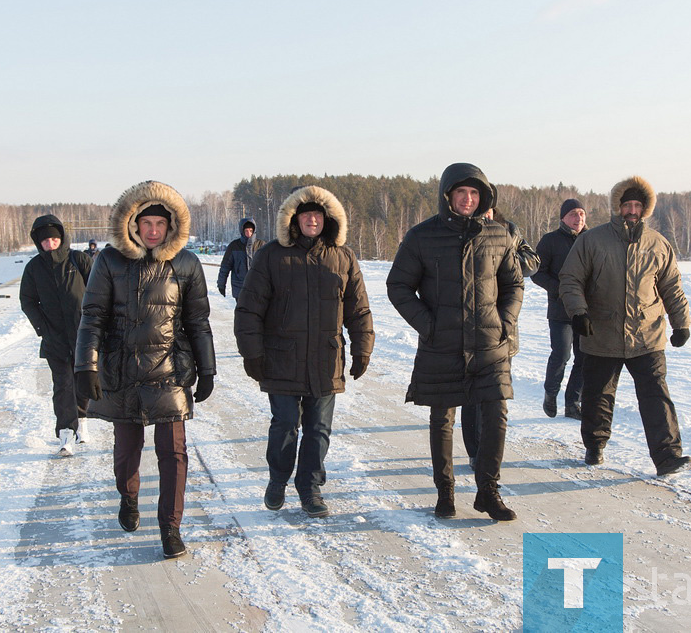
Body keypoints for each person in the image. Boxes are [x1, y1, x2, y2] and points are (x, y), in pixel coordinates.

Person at [74, 180, 216, 559]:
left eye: (160, 224)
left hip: (169, 370)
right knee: (126, 453)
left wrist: (208, 368)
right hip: (122, 371)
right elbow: (92, 317)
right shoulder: (109, 261)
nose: (153, 231)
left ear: (171, 227)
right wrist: (85, 366)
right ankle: (128, 496)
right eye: (146, 223)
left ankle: (171, 528)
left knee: (174, 454)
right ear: (132, 224)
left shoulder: (186, 263)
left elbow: (198, 321)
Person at [387, 163, 523, 521]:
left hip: (490, 343)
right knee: (442, 418)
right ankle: (445, 491)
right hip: (442, 343)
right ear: (448, 196)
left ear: (483, 198)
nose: (468, 199)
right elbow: (398, 286)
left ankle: (488, 491)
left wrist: (505, 322)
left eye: (474, 193)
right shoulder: (422, 236)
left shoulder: (499, 235)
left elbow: (514, 284)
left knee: (496, 414)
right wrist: (427, 325)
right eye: (461, 193)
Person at [234, 186, 374, 518]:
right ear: (294, 219)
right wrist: (252, 353)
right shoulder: (272, 255)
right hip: (281, 357)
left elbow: (358, 309)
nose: (312, 219)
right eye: (306, 214)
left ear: (328, 219)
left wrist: (362, 349)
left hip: (326, 359)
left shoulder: (343, 257)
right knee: (284, 426)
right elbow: (249, 309)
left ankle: (310, 488)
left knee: (318, 429)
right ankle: (278, 479)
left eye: (318, 214)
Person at [558, 176, 691, 477]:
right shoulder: (592, 240)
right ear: (617, 207)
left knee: (656, 395)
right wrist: (579, 313)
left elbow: (672, 287)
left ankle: (667, 456)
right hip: (601, 333)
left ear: (645, 209)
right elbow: (571, 280)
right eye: (626, 205)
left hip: (647, 335)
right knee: (598, 396)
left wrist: (680, 323)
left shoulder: (658, 244)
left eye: (637, 205)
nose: (632, 210)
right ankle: (595, 445)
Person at [461, 206, 539, 471]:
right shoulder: (462, 231)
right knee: (471, 396)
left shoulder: (510, 230)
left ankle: (490, 454)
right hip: (469, 330)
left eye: (488, 208)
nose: (484, 213)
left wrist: (502, 256)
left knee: (496, 397)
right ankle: (475, 450)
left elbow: (532, 262)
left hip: (502, 329)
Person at [19, 215, 93, 456]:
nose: (50, 244)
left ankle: (82, 420)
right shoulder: (33, 268)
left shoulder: (79, 260)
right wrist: (43, 328)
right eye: (45, 241)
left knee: (83, 382)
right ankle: (65, 435)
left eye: (54, 239)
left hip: (84, 335)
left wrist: (95, 324)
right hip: (55, 338)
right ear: (38, 243)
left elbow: (99, 292)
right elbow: (28, 301)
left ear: (61, 238)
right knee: (63, 385)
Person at [532, 199, 588, 420]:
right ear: (563, 218)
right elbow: (537, 272)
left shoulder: (591, 239)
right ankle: (550, 393)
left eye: (582, 214)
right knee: (562, 354)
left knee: (584, 358)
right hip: (560, 311)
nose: (578, 218)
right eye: (573, 214)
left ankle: (573, 403)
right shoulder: (550, 241)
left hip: (585, 310)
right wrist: (560, 289)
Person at [218, 217, 265, 300]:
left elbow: (271, 266)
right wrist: (221, 284)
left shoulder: (261, 245)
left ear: (254, 230)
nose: (249, 233)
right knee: (242, 312)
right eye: (246, 231)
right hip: (240, 288)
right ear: (242, 231)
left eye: (251, 230)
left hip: (258, 288)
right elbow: (225, 266)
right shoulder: (234, 246)